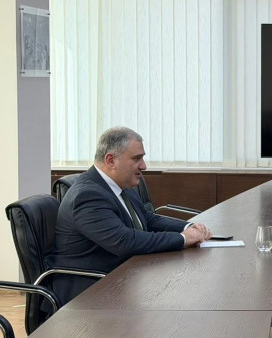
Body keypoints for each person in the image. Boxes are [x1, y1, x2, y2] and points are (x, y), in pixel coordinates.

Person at [49, 126, 212, 305]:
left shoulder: (121, 185)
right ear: (111, 160)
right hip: (88, 293)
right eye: (136, 158)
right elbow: (124, 242)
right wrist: (183, 239)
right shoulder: (87, 195)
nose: (144, 166)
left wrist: (188, 227)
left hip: (121, 278)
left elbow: (148, 219)